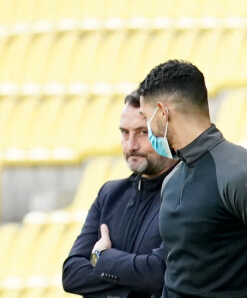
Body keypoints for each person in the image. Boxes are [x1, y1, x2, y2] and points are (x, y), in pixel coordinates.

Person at [138, 60, 247, 298]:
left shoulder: (240, 174)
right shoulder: (171, 182)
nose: (147, 129)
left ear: (162, 112)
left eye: (146, 118)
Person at [62, 90, 177, 298]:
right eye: (125, 132)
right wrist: (136, 281)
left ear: (167, 131)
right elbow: (72, 274)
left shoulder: (186, 194)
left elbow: (161, 275)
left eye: (143, 132)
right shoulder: (110, 194)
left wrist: (100, 258)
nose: (131, 146)